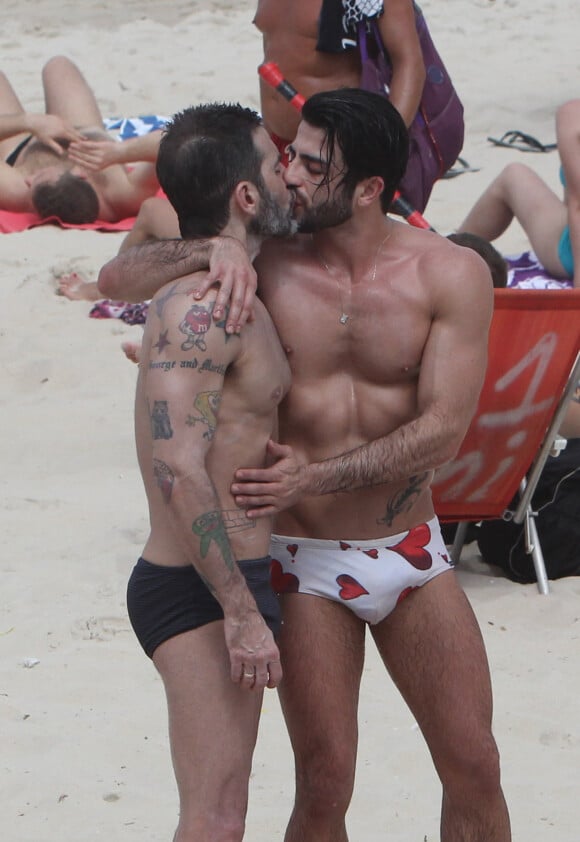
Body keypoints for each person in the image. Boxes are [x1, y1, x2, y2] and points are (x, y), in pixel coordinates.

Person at [100, 88, 511, 841]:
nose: (290, 172)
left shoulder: (447, 273)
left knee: (475, 761)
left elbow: (445, 431)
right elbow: (117, 280)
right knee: (326, 780)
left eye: (312, 163)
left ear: (368, 190)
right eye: (290, 152)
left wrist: (313, 475)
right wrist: (208, 247)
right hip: (301, 555)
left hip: (408, 547)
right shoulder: (263, 263)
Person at [126, 102, 296, 841]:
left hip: (229, 575)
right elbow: (178, 462)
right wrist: (239, 610)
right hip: (202, 585)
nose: (289, 172)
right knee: (217, 819)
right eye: (276, 162)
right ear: (246, 195)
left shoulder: (231, 286)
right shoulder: (205, 308)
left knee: (226, 807)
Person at [0, 55, 161, 224]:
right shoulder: (123, 195)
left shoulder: (19, 191)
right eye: (38, 176)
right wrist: (120, 152)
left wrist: (28, 122)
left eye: (33, 179)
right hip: (84, 128)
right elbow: (173, 139)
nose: (29, 179)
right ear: (81, 174)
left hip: (21, 145)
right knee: (59, 66)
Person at [457, 98, 580, 288]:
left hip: (573, 253)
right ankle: (453, 251)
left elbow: (577, 205)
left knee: (513, 176)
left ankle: (451, 253)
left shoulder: (572, 115)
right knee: (515, 176)